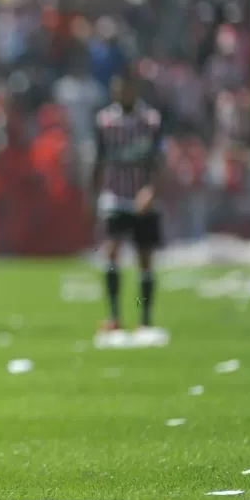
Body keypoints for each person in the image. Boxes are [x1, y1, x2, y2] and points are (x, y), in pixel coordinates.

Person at [90, 66, 165, 339]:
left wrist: (152, 190)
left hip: (143, 196)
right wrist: (93, 195)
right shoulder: (105, 121)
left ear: (136, 89)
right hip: (115, 197)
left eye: (127, 87)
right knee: (111, 254)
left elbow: (159, 162)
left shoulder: (151, 120)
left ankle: (144, 317)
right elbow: (99, 160)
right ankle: (114, 315)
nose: (122, 92)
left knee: (144, 259)